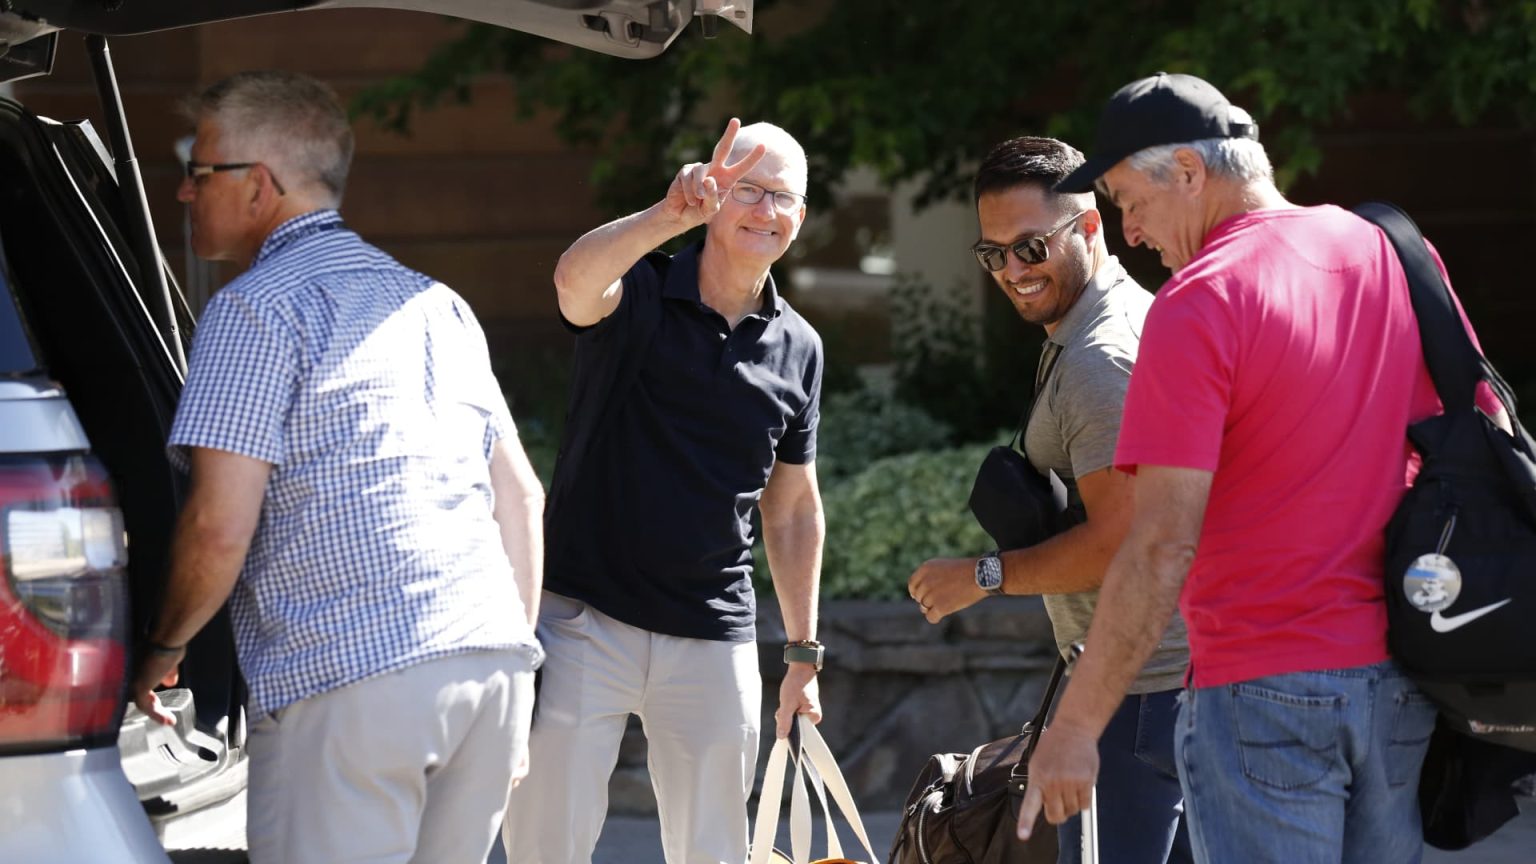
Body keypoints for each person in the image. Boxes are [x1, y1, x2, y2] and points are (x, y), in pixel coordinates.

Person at [1019, 72, 1504, 863]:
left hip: (1260, 693)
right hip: (1398, 681)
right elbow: (1470, 435)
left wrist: (1076, 727)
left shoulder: (1198, 302)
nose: (1130, 233)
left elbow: (1160, 544)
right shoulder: (1387, 251)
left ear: (1187, 170)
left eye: (1129, 201)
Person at [128, 70, 545, 864]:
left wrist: (162, 647)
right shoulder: (439, 303)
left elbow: (218, 527)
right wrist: (519, 674)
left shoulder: (253, 308)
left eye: (198, 169)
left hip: (351, 679)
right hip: (492, 672)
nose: (183, 191)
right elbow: (521, 500)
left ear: (259, 186)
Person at [503, 118, 826, 864]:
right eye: (748, 189)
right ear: (715, 195)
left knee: (717, 853)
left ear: (801, 215)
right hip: (583, 621)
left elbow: (792, 506)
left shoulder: (800, 347)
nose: (765, 210)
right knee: (544, 849)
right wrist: (666, 216)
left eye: (782, 196)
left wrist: (804, 652)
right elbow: (573, 283)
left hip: (713, 632)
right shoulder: (640, 291)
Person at [906, 136, 1191, 864]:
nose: (1013, 271)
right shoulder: (1114, 318)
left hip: (1141, 692)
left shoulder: (1099, 359)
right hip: (1158, 686)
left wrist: (982, 576)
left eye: (1030, 247)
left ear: (1089, 227)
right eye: (992, 254)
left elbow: (1122, 542)